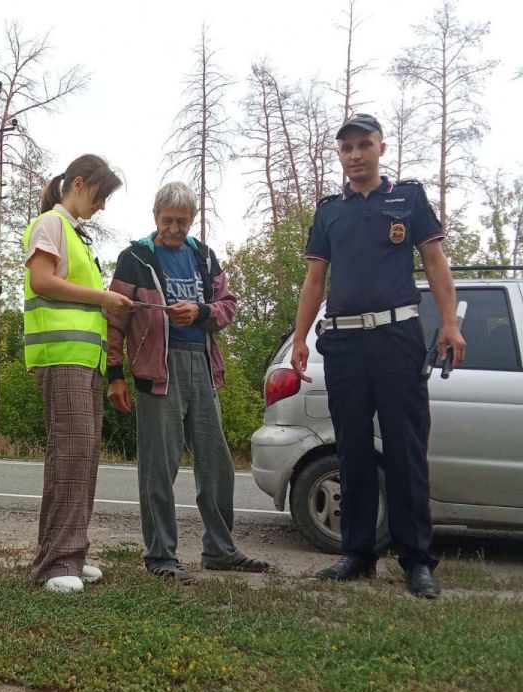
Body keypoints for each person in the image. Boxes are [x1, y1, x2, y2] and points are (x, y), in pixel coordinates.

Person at [292, 113, 466, 599]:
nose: (355, 155)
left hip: (397, 336)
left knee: (405, 447)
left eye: (363, 145)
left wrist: (449, 323)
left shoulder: (407, 199)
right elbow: (314, 280)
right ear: (340, 155)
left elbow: (435, 262)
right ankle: (357, 553)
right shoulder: (329, 211)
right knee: (351, 448)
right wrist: (301, 338)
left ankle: (416, 560)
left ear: (381, 148)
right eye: (346, 147)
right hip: (344, 343)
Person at [106, 181, 269, 579]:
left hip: (203, 365)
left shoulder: (205, 257)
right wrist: (114, 375)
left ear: (193, 219)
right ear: (155, 217)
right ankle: (161, 555)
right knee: (158, 469)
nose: (175, 228)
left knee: (217, 465)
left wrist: (199, 312)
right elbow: (114, 320)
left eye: (182, 221)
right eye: (168, 221)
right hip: (156, 371)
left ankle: (220, 549)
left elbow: (227, 306)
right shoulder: (135, 259)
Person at [23, 154, 133, 593]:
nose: (102, 206)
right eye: (101, 195)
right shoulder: (49, 224)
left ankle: (69, 553)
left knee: (82, 457)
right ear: (80, 183)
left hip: (85, 360)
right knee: (70, 454)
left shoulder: (75, 234)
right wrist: (103, 298)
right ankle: (57, 564)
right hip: (61, 355)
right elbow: (41, 281)